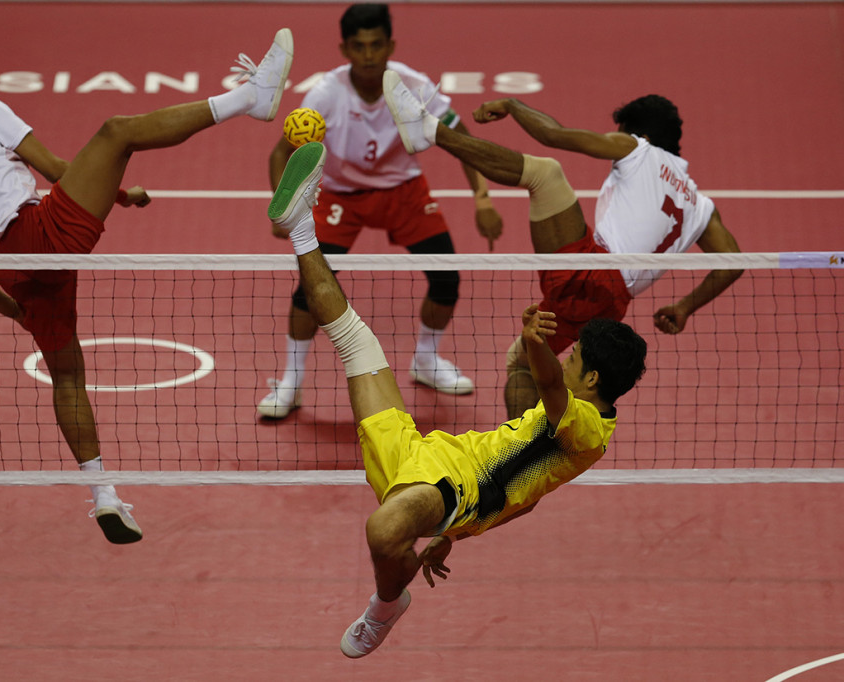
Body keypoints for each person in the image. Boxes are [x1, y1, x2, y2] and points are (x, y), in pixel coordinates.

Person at [268, 141, 647, 658]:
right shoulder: (565, 426)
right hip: (436, 456)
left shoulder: (587, 431)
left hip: (462, 487)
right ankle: (303, 227)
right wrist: (456, 538)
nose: (566, 357)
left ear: (593, 377)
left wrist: (535, 340)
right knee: (353, 337)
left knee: (383, 530)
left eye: (574, 355)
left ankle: (385, 606)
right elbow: (526, 503)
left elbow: (552, 388)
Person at [0, 32, 293, 544]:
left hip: (15, 272)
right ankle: (251, 98)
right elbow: (54, 169)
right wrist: (115, 193)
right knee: (117, 131)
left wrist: (18, 312)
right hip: (42, 235)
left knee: (68, 377)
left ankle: (104, 496)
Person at [382, 72, 744, 419]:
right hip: (611, 305)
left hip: (594, 270)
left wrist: (512, 104)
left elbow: (554, 134)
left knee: (545, 173)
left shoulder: (638, 148)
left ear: (640, 133)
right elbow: (736, 262)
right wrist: (684, 307)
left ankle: (429, 131)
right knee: (522, 361)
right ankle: (522, 460)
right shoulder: (700, 204)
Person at [258, 3, 503, 419]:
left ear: (390, 45)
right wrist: (284, 209)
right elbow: (279, 154)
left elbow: (460, 138)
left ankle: (425, 361)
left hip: (403, 191)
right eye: (359, 46)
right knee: (309, 292)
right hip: (340, 195)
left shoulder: (413, 84)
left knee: (447, 278)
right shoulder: (326, 94)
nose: (369, 55)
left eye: (376, 45)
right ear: (344, 49)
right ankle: (292, 383)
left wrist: (482, 197)